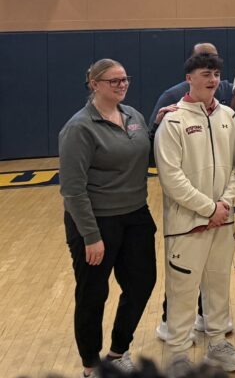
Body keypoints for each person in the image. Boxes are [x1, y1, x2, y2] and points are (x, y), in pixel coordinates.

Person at [59, 59, 157, 376]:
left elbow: (149, 150)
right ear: (94, 84)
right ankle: (90, 365)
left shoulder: (134, 116)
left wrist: (168, 121)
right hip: (97, 222)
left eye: (124, 79)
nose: (121, 84)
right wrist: (90, 236)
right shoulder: (79, 128)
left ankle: (117, 352)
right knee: (93, 294)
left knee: (142, 283)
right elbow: (72, 190)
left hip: (136, 216)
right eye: (112, 80)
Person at [154, 53, 235, 374]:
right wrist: (209, 208)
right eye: (206, 73)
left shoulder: (229, 116)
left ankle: (218, 344)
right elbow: (171, 178)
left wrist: (225, 203)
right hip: (186, 225)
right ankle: (178, 354)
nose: (213, 79)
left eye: (217, 73)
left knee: (218, 285)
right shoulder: (173, 120)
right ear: (189, 78)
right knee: (182, 292)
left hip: (223, 221)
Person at [148, 43, 233, 128]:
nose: (209, 61)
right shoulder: (172, 96)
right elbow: (152, 134)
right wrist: (157, 125)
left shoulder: (227, 92)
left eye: (213, 57)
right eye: (202, 57)